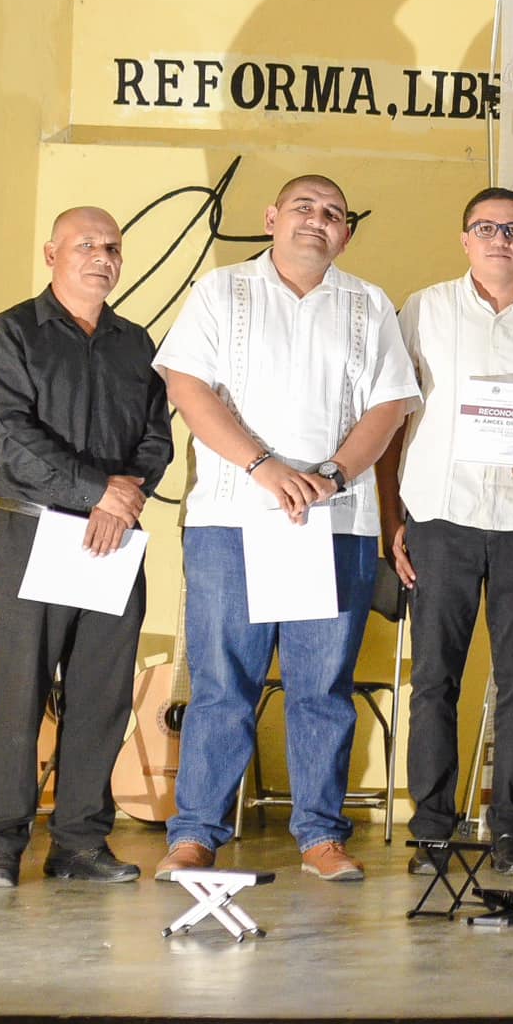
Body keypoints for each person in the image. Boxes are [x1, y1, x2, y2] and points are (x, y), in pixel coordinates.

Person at [152, 174, 421, 883]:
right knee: (221, 683)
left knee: (322, 687)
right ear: (272, 218)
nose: (317, 220)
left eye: (333, 213)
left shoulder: (368, 304)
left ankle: (320, 836)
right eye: (303, 207)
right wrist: (264, 467)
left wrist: (331, 475)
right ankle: (196, 833)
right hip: (232, 519)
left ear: (347, 234)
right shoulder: (220, 291)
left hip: (334, 523)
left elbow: (390, 407)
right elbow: (187, 388)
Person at [378, 186, 513, 878]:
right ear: (464, 238)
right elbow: (392, 417)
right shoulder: (424, 310)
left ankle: (509, 832)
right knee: (436, 679)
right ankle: (434, 832)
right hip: (440, 516)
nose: (500, 238)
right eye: (486, 228)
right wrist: (391, 518)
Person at [0, 207, 174, 887]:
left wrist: (122, 498)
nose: (102, 257)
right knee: (19, 693)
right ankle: (1, 846)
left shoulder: (136, 344)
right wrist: (98, 493)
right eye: (86, 244)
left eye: (112, 247)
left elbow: (156, 439)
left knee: (102, 694)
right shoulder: (11, 334)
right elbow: (11, 437)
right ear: (51, 252)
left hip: (115, 539)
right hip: (34, 531)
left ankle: (80, 844)